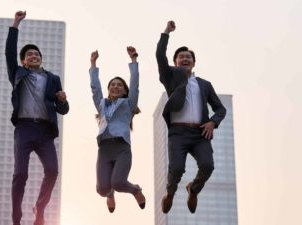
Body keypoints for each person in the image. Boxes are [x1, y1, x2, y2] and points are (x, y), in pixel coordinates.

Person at [5, 11, 69, 225]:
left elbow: (63, 109)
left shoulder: (53, 78)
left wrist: (61, 99)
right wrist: (15, 24)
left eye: (37, 54)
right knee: (20, 175)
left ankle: (39, 207)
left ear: (41, 58)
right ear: (23, 61)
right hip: (24, 129)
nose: (34, 55)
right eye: (29, 54)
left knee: (52, 170)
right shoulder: (18, 74)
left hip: (44, 131)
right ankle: (16, 218)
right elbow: (9, 53)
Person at [156, 20, 226, 214]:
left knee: (207, 165)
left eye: (188, 57)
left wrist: (213, 122)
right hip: (178, 133)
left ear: (193, 62)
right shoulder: (171, 78)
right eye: (181, 57)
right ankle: (170, 193)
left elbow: (220, 109)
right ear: (175, 63)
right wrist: (166, 32)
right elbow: (160, 56)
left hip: (200, 134)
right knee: (176, 168)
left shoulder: (204, 84)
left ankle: (193, 189)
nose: (185, 59)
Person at [89, 47, 145, 213]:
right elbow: (95, 88)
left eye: (119, 85)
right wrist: (93, 63)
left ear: (124, 90)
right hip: (104, 149)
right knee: (102, 190)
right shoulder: (101, 105)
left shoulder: (129, 104)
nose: (115, 87)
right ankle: (110, 195)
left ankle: (135, 190)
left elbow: (135, 85)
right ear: (109, 89)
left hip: (122, 149)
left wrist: (133, 61)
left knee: (119, 183)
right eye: (112, 85)